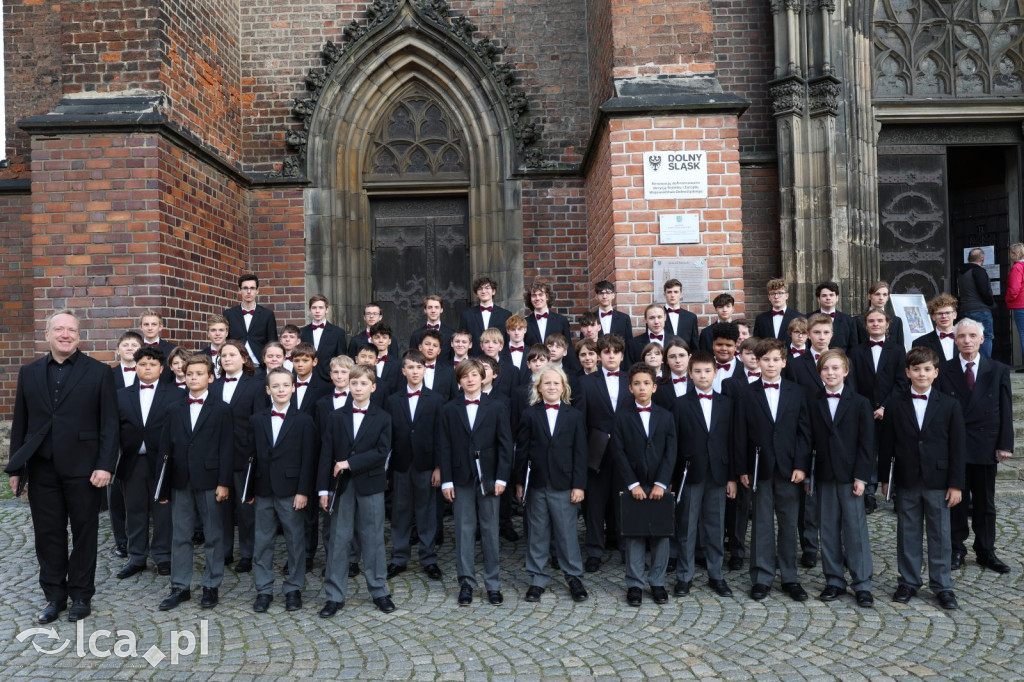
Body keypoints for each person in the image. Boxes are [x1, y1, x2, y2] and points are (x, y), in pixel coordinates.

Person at [6, 310, 119, 624]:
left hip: (85, 469)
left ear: (79, 336)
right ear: (47, 335)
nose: (65, 334)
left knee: (85, 532)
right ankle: (54, 597)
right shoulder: (28, 372)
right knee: (48, 534)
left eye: (71, 330)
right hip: (42, 468)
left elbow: (110, 424)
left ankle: (81, 595)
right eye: (59, 329)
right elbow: (21, 424)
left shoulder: (99, 372)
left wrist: (105, 465)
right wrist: (17, 468)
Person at [878, 347, 965, 610]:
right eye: (916, 369)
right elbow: (887, 444)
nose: (921, 374)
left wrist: (956, 484)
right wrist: (885, 479)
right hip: (906, 478)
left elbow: (958, 447)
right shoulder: (894, 403)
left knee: (940, 533)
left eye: (927, 369)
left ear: (936, 373)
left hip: (939, 479)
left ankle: (942, 585)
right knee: (908, 532)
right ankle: (908, 581)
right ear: (907, 372)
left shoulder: (950, 404)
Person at [737, 338, 812, 602]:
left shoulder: (797, 391)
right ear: (757, 362)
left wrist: (802, 466)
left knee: (790, 524)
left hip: (789, 468)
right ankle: (761, 577)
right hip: (759, 467)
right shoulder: (746, 393)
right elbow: (740, 434)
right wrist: (743, 468)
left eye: (775, 359)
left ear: (784, 362)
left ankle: (790, 577)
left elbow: (805, 433)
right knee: (761, 524)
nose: (770, 364)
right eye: (765, 359)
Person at [317, 364, 395, 616]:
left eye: (363, 384)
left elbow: (382, 452)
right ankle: (334, 595)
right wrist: (322, 490)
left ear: (373, 387)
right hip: (342, 487)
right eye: (354, 383)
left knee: (373, 539)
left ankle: (379, 590)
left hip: (370, 485)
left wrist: (350, 463)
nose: (358, 388)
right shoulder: (336, 417)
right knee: (339, 540)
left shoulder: (383, 417)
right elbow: (326, 453)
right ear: (348, 386)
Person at [157, 354, 233, 611]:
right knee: (180, 535)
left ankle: (211, 585)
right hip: (180, 480)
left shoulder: (222, 409)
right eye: (189, 374)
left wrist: (224, 482)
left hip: (211, 480)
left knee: (213, 534)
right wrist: (163, 485)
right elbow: (165, 449)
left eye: (199, 373)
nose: (193, 378)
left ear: (210, 377)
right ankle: (180, 586)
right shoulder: (174, 408)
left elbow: (227, 448)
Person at [937, 319, 1013, 574]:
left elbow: (1005, 408)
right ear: (955, 340)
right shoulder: (944, 370)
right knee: (955, 501)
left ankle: (986, 550)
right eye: (962, 336)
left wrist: (1005, 444)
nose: (967, 340)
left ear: (982, 339)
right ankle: (956, 549)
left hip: (985, 444)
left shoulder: (998, 369)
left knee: (985, 503)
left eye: (972, 336)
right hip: (954, 446)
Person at [438, 358, 514, 606]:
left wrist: (502, 477)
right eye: (465, 376)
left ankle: (493, 584)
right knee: (463, 530)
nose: (470, 380)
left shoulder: (497, 406)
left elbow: (505, 445)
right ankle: (466, 583)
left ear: (483, 377)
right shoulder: (449, 409)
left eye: (474, 375)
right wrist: (446, 481)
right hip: (460, 478)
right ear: (459, 381)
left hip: (490, 477)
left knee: (491, 530)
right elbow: (445, 447)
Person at [515, 365, 589, 603]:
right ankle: (537, 578)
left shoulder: (574, 415)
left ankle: (573, 576)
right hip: (537, 483)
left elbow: (581, 452)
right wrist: (520, 482)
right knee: (537, 532)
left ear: (564, 387)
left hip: (565, 483)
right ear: (539, 387)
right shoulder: (529, 414)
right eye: (547, 383)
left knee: (567, 533)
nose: (552, 387)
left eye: (556, 383)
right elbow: (522, 451)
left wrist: (579, 485)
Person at [809, 349, 875, 607]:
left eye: (836, 368)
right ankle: (834, 579)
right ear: (820, 373)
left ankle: (862, 583)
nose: (831, 373)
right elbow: (809, 439)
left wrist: (862, 476)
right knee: (827, 530)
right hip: (825, 474)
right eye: (826, 369)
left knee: (855, 530)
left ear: (845, 371)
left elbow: (867, 444)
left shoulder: (860, 403)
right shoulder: (813, 401)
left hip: (850, 476)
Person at [249, 368, 318, 613]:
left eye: (285, 385)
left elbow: (309, 458)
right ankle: (264, 589)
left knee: (295, 540)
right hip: (263, 488)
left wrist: (303, 491)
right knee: (263, 540)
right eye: (275, 386)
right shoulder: (257, 419)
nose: (280, 390)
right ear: (268, 390)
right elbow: (252, 456)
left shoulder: (303, 420)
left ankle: (293, 588)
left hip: (292, 490)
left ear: (293, 388)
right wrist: (250, 489)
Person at [672, 350, 739, 598]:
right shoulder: (679, 404)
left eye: (707, 371)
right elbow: (675, 443)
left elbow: (733, 442)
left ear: (716, 372)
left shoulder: (727, 404)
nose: (702, 375)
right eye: (697, 371)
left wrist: (732, 477)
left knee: (716, 526)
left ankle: (716, 575)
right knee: (687, 527)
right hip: (690, 474)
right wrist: (674, 478)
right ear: (690, 374)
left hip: (719, 473)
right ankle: (684, 576)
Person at [610, 363, 678, 606]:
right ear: (630, 388)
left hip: (659, 485)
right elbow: (618, 452)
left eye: (646, 383)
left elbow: (672, 452)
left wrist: (662, 483)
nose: (642, 388)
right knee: (635, 535)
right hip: (634, 486)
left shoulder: (666, 416)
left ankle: (657, 581)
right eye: (637, 383)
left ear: (654, 387)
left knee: (661, 534)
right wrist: (632, 484)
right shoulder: (621, 417)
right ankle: (635, 584)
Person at [115, 346, 184, 580]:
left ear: (161, 369)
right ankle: (136, 557)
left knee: (163, 510)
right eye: (143, 364)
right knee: (134, 509)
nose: (147, 368)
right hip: (132, 461)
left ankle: (163, 555)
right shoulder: (122, 395)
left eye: (152, 364)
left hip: (162, 462)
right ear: (136, 367)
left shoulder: (175, 394)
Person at [384, 350, 444, 581]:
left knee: (426, 512)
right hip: (400, 464)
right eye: (410, 367)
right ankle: (399, 558)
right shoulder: (393, 400)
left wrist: (439, 467)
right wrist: (387, 470)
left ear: (425, 369)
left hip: (426, 464)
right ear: (403, 371)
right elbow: (389, 436)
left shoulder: (436, 399)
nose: (415, 371)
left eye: (419, 367)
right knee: (400, 512)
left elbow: (440, 435)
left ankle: (428, 558)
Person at [576, 334, 631, 571]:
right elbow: (580, 421)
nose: (611, 356)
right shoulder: (586, 383)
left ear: (621, 355)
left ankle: (627, 548)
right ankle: (594, 551)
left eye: (615, 352)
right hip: (596, 452)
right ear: (599, 356)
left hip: (626, 451)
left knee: (624, 503)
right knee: (595, 505)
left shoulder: (632, 380)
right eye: (606, 352)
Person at [210, 340, 263, 574]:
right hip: (218, 455)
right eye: (223, 355)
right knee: (221, 506)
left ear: (244, 358)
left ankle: (248, 553)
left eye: (232, 354)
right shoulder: (213, 386)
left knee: (246, 509)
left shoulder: (255, 385)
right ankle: (224, 551)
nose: (227, 358)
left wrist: (255, 452)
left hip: (245, 454)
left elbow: (260, 420)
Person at [848, 307, 907, 514]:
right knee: (867, 450)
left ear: (887, 324)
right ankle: (869, 494)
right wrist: (863, 408)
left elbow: (901, 382)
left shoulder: (898, 351)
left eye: (879, 321)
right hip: (864, 409)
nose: (875, 324)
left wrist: (884, 406)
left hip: (891, 409)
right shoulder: (855, 352)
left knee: (893, 449)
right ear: (866, 325)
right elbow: (852, 382)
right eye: (871, 321)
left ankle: (895, 491)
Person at [224, 274, 279, 367]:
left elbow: (272, 342)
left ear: (257, 291)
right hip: (235, 364)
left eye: (252, 288)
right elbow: (226, 340)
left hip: (260, 364)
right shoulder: (229, 314)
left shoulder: (267, 314)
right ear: (239, 290)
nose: (248, 291)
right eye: (245, 288)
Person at [957, 248, 996, 358]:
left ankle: (970, 362)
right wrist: (991, 303)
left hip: (965, 309)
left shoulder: (962, 272)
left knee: (968, 337)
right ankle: (983, 365)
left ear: (968, 258)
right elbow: (984, 291)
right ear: (982, 259)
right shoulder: (978, 271)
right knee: (985, 336)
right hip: (980, 310)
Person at [300, 294, 347, 382]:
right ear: (310, 310)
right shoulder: (302, 332)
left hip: (329, 379)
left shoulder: (338, 332)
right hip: (307, 378)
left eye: (321, 308)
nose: (317, 311)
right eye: (314, 308)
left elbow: (341, 359)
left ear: (327, 310)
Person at [460, 276, 513, 351]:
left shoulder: (505, 315)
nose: (483, 291)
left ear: (493, 291)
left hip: (497, 359)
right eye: (480, 289)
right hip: (474, 359)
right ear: (476, 293)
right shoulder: (467, 314)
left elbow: (508, 341)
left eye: (487, 288)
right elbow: (462, 338)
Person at [753, 279, 803, 348]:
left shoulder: (798, 317)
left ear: (786, 296)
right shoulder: (761, 319)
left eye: (780, 293)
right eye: (772, 293)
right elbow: (756, 343)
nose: (776, 297)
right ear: (769, 297)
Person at [815, 281, 863, 352]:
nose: (828, 298)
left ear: (837, 298)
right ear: (818, 299)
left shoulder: (849, 321)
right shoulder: (808, 318)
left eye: (831, 295)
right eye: (824, 295)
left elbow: (854, 348)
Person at [524, 280, 572, 347]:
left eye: (540, 294)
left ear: (547, 297)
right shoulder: (525, 323)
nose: (537, 298)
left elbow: (568, 348)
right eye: (534, 295)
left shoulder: (561, 321)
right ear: (530, 299)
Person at [912, 294, 959, 362]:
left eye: (948, 313)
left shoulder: (967, 339)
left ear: (954, 314)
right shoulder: (920, 343)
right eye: (940, 313)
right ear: (933, 316)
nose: (944, 316)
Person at [409, 295, 455, 362]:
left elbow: (452, 358)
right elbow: (412, 359)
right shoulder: (416, 335)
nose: (433, 311)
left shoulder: (451, 334)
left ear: (441, 310)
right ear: (425, 310)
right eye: (430, 307)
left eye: (436, 307)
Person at [663, 279, 700, 351]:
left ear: (681, 294)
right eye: (669, 292)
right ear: (665, 295)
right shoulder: (656, 316)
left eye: (676, 292)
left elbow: (694, 345)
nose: (672, 295)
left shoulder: (691, 317)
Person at [1005, 242, 1024, 367]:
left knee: (1023, 334)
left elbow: (1014, 288)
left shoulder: (1018, 267)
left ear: (1014, 253)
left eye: (1011, 253)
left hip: (1021, 305)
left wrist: (1008, 300)